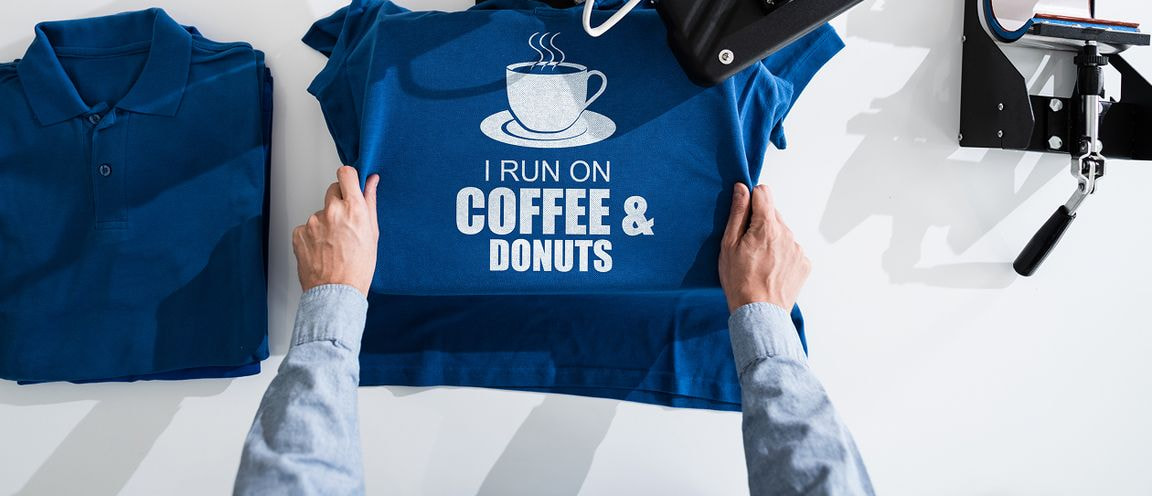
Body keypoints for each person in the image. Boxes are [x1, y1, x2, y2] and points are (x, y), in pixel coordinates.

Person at [234, 167, 874, 495]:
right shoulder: (738, 43)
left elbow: (296, 482)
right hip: (694, 344)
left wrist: (331, 307)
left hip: (398, 334)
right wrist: (763, 315)